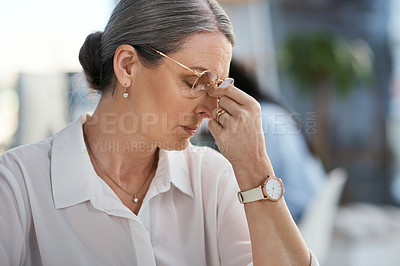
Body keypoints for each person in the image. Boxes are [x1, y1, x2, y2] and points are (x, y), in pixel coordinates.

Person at [0, 0, 319, 265]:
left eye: (217, 87)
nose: (210, 110)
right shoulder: (18, 185)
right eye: (195, 82)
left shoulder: (212, 178)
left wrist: (255, 166)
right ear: (126, 66)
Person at [223, 61, 326, 222]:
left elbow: (257, 177)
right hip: (311, 206)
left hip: (297, 214)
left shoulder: (260, 120)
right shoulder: (271, 109)